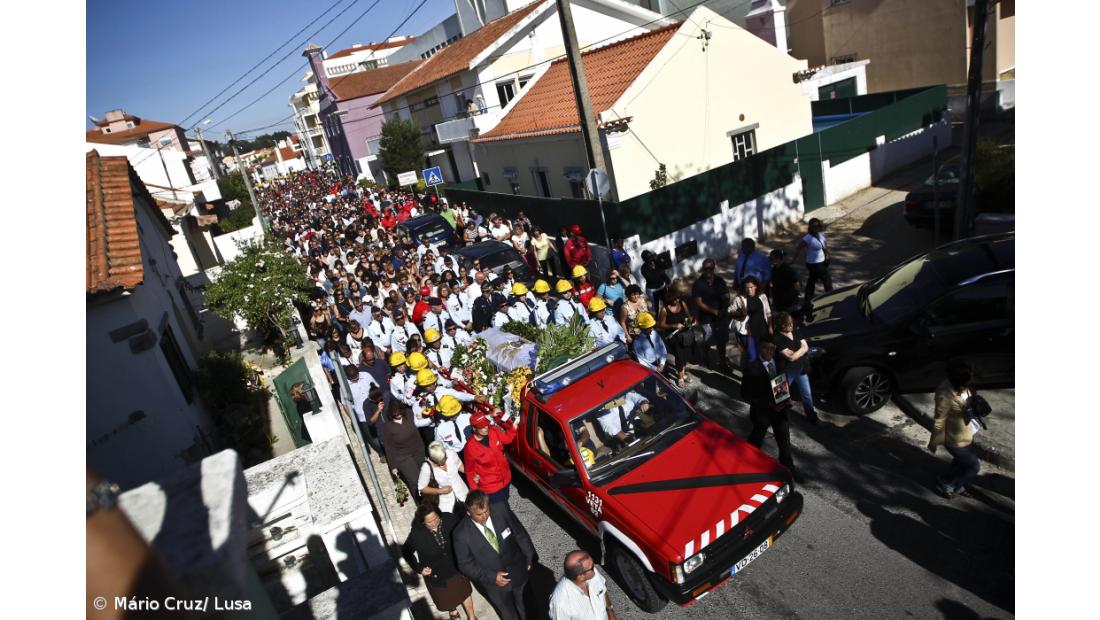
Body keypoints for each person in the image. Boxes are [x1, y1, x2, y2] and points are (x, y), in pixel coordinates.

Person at [453, 491, 536, 620]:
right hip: (494, 585)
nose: (485, 516)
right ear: (468, 513)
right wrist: (492, 577)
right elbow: (465, 565)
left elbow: (519, 533)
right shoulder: (460, 534)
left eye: (486, 511)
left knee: (526, 607)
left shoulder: (501, 509)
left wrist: (529, 556)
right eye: (479, 514)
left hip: (518, 571)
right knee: (508, 614)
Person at [401, 503, 477, 620]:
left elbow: (464, 533)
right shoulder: (417, 534)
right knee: (447, 600)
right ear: (422, 522)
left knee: (465, 593)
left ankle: (472, 617)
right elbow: (406, 551)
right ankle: (454, 613)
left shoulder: (450, 519)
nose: (434, 523)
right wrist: (419, 568)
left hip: (456, 568)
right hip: (437, 575)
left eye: (436, 519)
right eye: (429, 522)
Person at [742, 338, 801, 482]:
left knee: (784, 441)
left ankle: (789, 468)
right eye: (766, 348)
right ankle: (744, 466)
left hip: (780, 411)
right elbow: (745, 394)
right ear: (760, 348)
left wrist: (787, 399)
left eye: (772, 348)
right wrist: (768, 404)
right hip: (762, 412)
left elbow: (783, 381)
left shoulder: (779, 363)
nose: (769, 351)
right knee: (756, 439)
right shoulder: (752, 368)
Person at [927, 360, 980, 499]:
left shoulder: (963, 386)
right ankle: (949, 483)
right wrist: (934, 440)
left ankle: (952, 482)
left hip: (968, 433)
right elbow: (939, 419)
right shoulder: (945, 395)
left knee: (960, 463)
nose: (972, 380)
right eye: (969, 379)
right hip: (955, 439)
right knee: (974, 466)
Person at [773, 311, 819, 425]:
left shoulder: (795, 331)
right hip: (784, 370)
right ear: (782, 325)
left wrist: (797, 353)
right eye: (788, 324)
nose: (791, 325)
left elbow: (806, 347)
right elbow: (791, 358)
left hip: (800, 368)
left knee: (807, 393)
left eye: (791, 322)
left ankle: (811, 415)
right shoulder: (777, 338)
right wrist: (800, 351)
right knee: (780, 396)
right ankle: (779, 417)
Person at [464, 411, 517, 505]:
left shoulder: (493, 430)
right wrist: (476, 492)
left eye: (486, 425)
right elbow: (470, 471)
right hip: (491, 488)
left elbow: (506, 438)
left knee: (505, 502)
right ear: (474, 428)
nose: (485, 428)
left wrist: (513, 426)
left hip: (506, 479)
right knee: (501, 510)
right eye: (482, 427)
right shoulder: (470, 448)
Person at [548, 550, 617, 620]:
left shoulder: (592, 573)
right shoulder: (559, 604)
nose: (595, 567)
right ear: (581, 576)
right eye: (592, 567)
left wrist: (610, 611)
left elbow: (602, 590)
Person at [657, 281, 702, 386]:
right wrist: (674, 325)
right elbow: (660, 325)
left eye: (678, 298)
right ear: (670, 297)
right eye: (675, 298)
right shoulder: (665, 310)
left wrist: (692, 320)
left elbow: (688, 316)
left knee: (685, 355)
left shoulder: (682, 303)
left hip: (685, 335)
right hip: (674, 337)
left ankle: (683, 371)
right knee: (679, 356)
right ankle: (680, 377)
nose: (677, 300)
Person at [692, 258, 732, 373]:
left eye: (710, 268)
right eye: (705, 269)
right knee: (707, 340)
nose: (708, 271)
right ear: (702, 269)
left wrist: (724, 307)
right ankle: (706, 358)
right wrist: (714, 311)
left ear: (714, 268)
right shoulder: (698, 284)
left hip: (721, 317)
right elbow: (699, 303)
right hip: (707, 319)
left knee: (722, 341)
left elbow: (727, 294)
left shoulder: (720, 280)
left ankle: (722, 362)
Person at [381, 405, 426, 505]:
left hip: (418, 451)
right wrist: (393, 466)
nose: (398, 415)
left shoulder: (409, 414)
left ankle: (430, 499)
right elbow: (388, 448)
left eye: (399, 412)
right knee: (414, 481)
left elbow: (417, 433)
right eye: (395, 413)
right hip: (402, 456)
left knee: (425, 477)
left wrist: (423, 450)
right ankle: (421, 504)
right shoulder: (388, 427)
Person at [418, 441, 470, 515]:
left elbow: (460, 466)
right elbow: (422, 488)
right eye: (439, 462)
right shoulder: (426, 467)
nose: (444, 463)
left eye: (445, 459)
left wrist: (472, 473)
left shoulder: (451, 454)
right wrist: (440, 491)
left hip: (463, 494)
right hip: (446, 504)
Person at [730, 276, 772, 366]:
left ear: (756, 286)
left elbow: (768, 313)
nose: (749, 290)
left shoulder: (762, 296)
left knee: (764, 354)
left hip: (762, 330)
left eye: (751, 287)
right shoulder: (740, 299)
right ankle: (750, 375)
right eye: (746, 288)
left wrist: (770, 327)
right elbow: (730, 310)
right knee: (752, 356)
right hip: (748, 332)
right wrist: (739, 314)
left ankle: (761, 374)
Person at [794, 218, 832, 306]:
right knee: (827, 280)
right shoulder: (807, 238)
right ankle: (830, 296)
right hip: (813, 263)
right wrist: (793, 260)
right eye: (814, 226)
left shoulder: (821, 234)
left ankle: (808, 297)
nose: (816, 227)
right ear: (810, 227)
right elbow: (798, 248)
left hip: (821, 261)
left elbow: (824, 245)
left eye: (818, 225)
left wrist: (827, 253)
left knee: (812, 279)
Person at [768, 249, 801, 316]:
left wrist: (796, 295)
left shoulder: (788, 270)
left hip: (789, 301)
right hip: (779, 300)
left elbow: (797, 284)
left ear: (779, 259)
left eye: (773, 259)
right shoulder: (774, 269)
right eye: (770, 259)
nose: (771, 260)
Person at [640, 250, 670, 314]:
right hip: (652, 290)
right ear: (644, 260)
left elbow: (665, 266)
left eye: (651, 256)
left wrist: (657, 259)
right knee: (656, 306)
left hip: (662, 286)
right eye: (648, 258)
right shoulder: (643, 268)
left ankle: (668, 315)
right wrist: (660, 271)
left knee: (667, 302)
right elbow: (652, 278)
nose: (650, 259)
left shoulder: (656, 262)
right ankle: (656, 319)